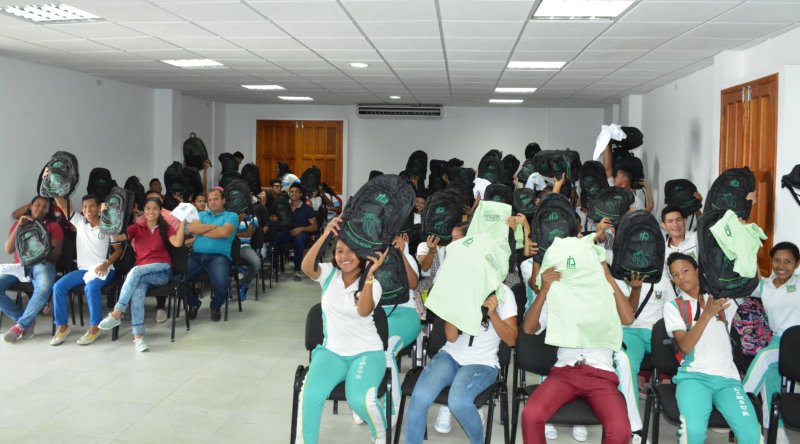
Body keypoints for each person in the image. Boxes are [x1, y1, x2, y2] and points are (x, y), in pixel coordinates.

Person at [521, 249, 634, 444]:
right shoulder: (559, 293)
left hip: (601, 374)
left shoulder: (609, 291)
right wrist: (544, 291)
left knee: (620, 430)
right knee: (531, 415)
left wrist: (608, 276)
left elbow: (628, 318)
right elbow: (529, 328)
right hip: (566, 372)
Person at [296, 216, 390, 444]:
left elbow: (364, 311)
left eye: (350, 251)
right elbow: (306, 267)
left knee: (360, 400)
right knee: (309, 394)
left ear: (360, 254)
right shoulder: (329, 274)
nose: (344, 256)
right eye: (339, 251)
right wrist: (326, 233)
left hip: (366, 352)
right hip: (332, 352)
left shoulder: (373, 283)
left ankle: (380, 435)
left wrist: (369, 275)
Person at [663, 252, 761, 444]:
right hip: (694, 379)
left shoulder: (722, 299)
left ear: (697, 271)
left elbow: (749, 279)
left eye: (685, 271)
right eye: (675, 275)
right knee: (693, 434)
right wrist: (706, 314)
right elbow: (685, 346)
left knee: (752, 436)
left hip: (728, 381)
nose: (681, 277)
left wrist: (744, 248)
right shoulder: (673, 306)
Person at [405, 288, 517, 444]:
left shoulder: (504, 293)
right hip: (450, 355)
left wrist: (493, 315)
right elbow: (451, 337)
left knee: (458, 402)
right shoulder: (463, 285)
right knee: (419, 397)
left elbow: (511, 340)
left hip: (482, 362)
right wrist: (456, 306)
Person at [97, 197, 184, 351]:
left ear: (160, 211)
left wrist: (182, 222)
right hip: (142, 273)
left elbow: (177, 243)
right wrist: (105, 216)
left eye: (155, 208)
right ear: (144, 210)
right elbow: (116, 237)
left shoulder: (165, 227)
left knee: (136, 271)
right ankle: (139, 338)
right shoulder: (137, 228)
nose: (151, 211)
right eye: (148, 208)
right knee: (137, 291)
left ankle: (117, 313)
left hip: (162, 270)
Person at [742, 242, 800, 442]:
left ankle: (739, 401)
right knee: (770, 378)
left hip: (797, 339)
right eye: (776, 260)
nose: (781, 266)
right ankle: (776, 432)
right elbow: (740, 285)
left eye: (788, 261)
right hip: (778, 340)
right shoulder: (764, 285)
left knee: (764, 357)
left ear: (797, 264)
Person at [50, 194, 122, 345]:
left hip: (104, 268)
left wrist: (106, 263)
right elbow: (63, 205)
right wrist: (53, 186)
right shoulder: (80, 222)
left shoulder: (108, 225)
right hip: (83, 270)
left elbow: (118, 250)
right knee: (58, 287)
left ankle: (95, 327)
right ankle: (63, 326)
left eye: (92, 206)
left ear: (98, 207)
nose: (88, 209)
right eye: (85, 207)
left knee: (91, 287)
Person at [1, 196, 64, 343]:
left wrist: (42, 246)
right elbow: (8, 249)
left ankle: (21, 326)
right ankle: (26, 321)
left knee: (43, 288)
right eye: (37, 205)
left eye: (44, 207)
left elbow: (56, 255)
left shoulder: (53, 226)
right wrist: (19, 226)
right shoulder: (19, 223)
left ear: (48, 210)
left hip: (42, 264)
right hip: (19, 266)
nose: (40, 209)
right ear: (30, 206)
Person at [184, 188, 238, 322]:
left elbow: (225, 233)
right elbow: (192, 229)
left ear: (223, 200)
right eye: (210, 200)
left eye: (216, 199)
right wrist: (215, 227)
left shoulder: (231, 216)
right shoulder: (201, 215)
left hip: (218, 257)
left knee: (221, 284)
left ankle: (215, 306)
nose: (212, 202)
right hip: (196, 256)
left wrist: (203, 230)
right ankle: (193, 303)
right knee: (176, 278)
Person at [275, 183, 318, 282]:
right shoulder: (284, 206)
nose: (294, 194)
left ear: (300, 194)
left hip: (302, 233)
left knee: (299, 240)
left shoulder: (307, 208)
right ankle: (275, 268)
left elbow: (314, 226)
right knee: (276, 237)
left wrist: (301, 229)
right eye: (292, 192)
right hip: (287, 232)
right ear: (289, 193)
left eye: (296, 192)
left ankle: (297, 270)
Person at [602, 144, 653, 213]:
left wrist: (648, 189)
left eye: (616, 176)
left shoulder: (635, 201)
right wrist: (607, 142)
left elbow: (648, 209)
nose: (614, 178)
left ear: (625, 179)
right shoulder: (612, 187)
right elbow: (607, 168)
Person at [235, 211, 260, 301]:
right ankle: (226, 291)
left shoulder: (252, 217)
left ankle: (245, 284)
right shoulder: (229, 215)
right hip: (227, 246)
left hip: (243, 246)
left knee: (256, 263)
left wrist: (233, 234)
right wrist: (237, 220)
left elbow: (248, 233)